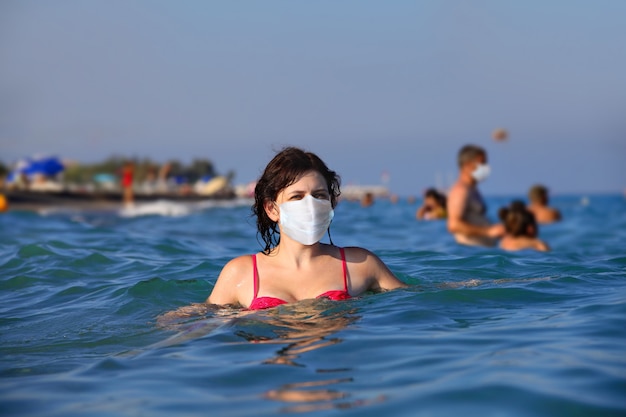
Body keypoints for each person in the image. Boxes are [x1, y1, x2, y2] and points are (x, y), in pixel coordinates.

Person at [207, 147, 406, 310]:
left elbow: (416, 304)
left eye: (319, 195)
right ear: (272, 209)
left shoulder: (361, 264)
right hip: (272, 355)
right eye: (297, 196)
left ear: (331, 203)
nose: (310, 205)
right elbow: (198, 324)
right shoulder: (241, 273)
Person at [447, 144, 504, 246]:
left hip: (481, 253)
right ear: (467, 165)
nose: (486, 167)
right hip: (469, 252)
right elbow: (453, 225)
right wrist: (489, 231)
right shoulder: (460, 190)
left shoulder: (472, 189)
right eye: (482, 163)